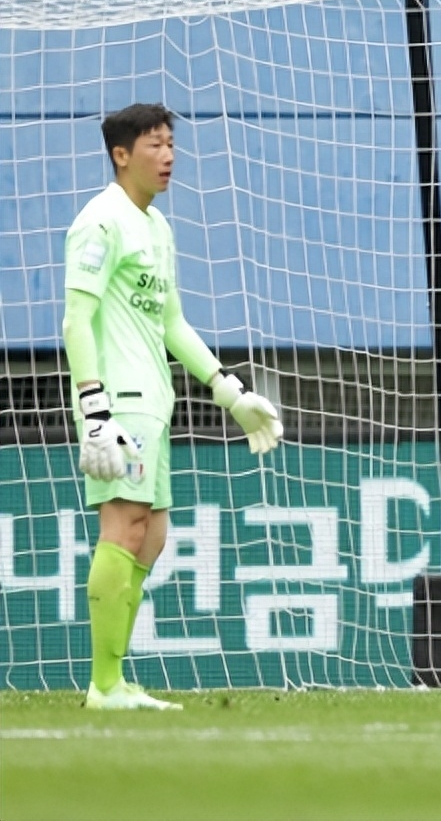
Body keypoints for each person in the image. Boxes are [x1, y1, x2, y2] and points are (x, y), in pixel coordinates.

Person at [64, 103, 283, 710]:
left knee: (152, 537)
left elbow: (172, 323)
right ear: (121, 155)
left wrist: (227, 389)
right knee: (125, 527)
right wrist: (94, 408)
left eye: (170, 144)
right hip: (118, 403)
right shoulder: (99, 222)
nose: (168, 156)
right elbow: (77, 319)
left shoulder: (156, 227)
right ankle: (104, 685)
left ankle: (114, 680)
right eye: (154, 145)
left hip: (155, 402)